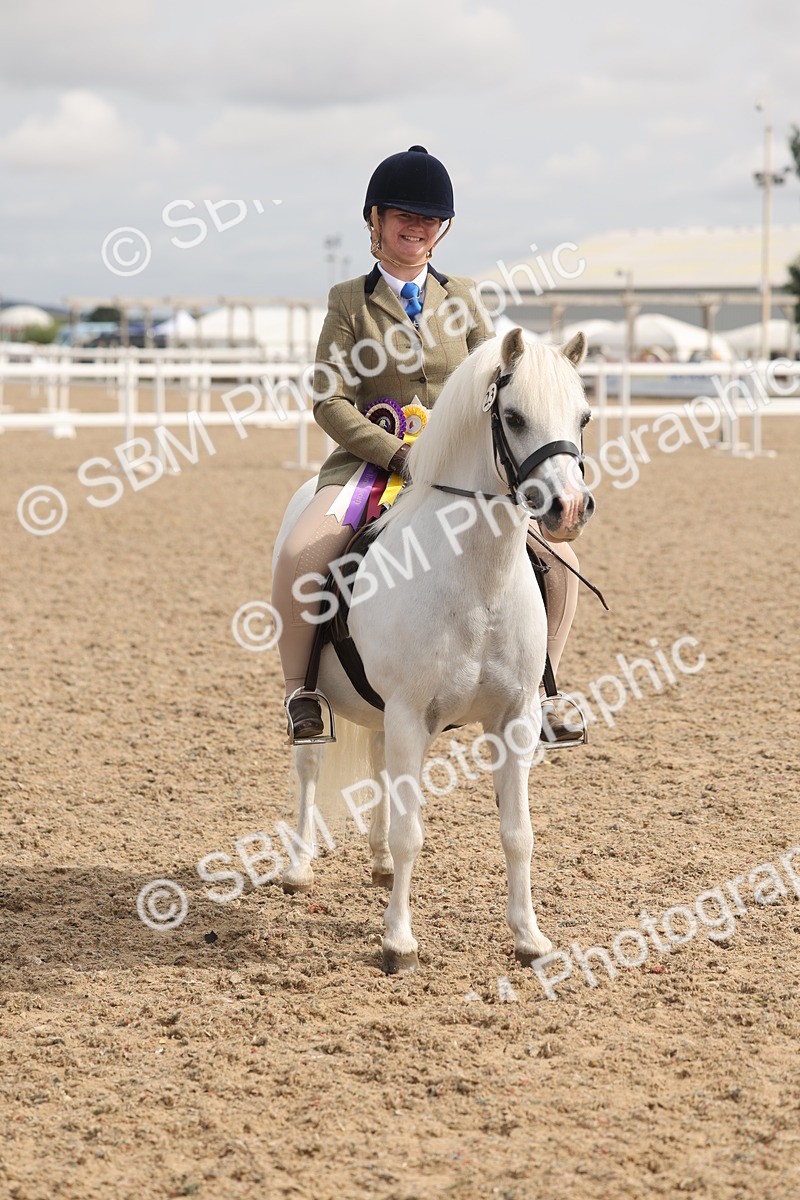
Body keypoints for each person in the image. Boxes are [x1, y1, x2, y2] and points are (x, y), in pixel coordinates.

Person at [271, 145, 582, 744]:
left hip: (461, 472)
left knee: (562, 560)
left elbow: (496, 380)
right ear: (375, 222)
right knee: (303, 554)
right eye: (402, 215)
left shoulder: (462, 296)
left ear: (441, 229)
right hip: (370, 465)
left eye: (428, 218)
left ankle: (546, 691)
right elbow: (329, 399)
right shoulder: (349, 302)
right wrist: (395, 453)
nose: (416, 227)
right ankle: (302, 693)